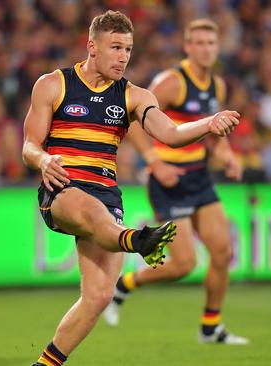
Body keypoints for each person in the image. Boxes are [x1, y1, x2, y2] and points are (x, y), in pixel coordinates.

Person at [22, 11, 240, 366]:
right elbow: (29, 145)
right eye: (116, 48)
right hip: (61, 186)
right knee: (90, 209)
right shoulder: (53, 84)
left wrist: (209, 124)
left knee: (98, 295)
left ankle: (44, 365)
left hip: (107, 195)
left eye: (128, 49)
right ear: (92, 47)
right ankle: (137, 240)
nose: (124, 56)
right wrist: (44, 160)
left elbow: (169, 133)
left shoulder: (134, 96)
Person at [102, 18, 249, 345]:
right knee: (184, 264)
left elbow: (214, 132)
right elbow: (136, 119)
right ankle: (125, 284)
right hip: (168, 179)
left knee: (223, 253)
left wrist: (227, 156)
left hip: (199, 176)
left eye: (211, 43)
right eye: (198, 42)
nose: (206, 49)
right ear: (187, 47)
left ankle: (210, 328)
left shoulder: (218, 86)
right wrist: (154, 163)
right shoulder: (171, 82)